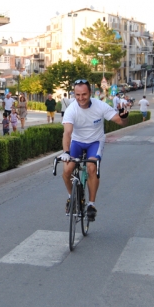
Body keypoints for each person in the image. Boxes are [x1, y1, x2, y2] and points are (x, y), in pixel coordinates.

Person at [60, 79, 127, 221]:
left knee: (91, 167)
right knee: (66, 171)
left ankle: (91, 204)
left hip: (95, 142)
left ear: (90, 93)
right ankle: (71, 197)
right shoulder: (71, 109)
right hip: (77, 142)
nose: (81, 98)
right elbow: (67, 133)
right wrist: (66, 152)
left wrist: (123, 117)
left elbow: (119, 121)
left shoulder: (100, 106)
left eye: (84, 94)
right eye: (77, 95)